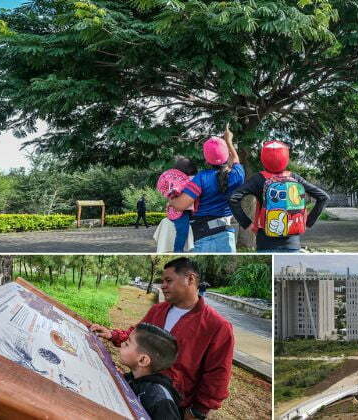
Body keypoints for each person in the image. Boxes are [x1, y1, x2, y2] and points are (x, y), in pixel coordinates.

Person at [90, 258, 234, 420]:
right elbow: (139, 333)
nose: (163, 285)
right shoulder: (159, 310)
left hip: (171, 405)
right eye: (162, 281)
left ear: (190, 279)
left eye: (169, 280)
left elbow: (218, 376)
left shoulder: (217, 326)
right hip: (141, 390)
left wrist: (197, 412)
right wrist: (113, 335)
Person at [229, 139, 329, 252]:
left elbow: (233, 198)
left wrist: (247, 224)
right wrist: (308, 223)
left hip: (265, 242)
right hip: (292, 243)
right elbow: (323, 197)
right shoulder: (295, 178)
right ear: (286, 158)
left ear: (263, 158)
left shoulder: (258, 179)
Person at [168, 125, 244, 253]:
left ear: (206, 160)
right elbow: (235, 159)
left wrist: (171, 200)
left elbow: (180, 205)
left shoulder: (202, 178)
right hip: (227, 234)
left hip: (204, 235)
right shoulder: (238, 175)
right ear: (226, 156)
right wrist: (229, 141)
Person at [118, 323, 182, 420]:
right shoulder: (134, 378)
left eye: (127, 343)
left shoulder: (160, 400)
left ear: (143, 360)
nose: (122, 343)